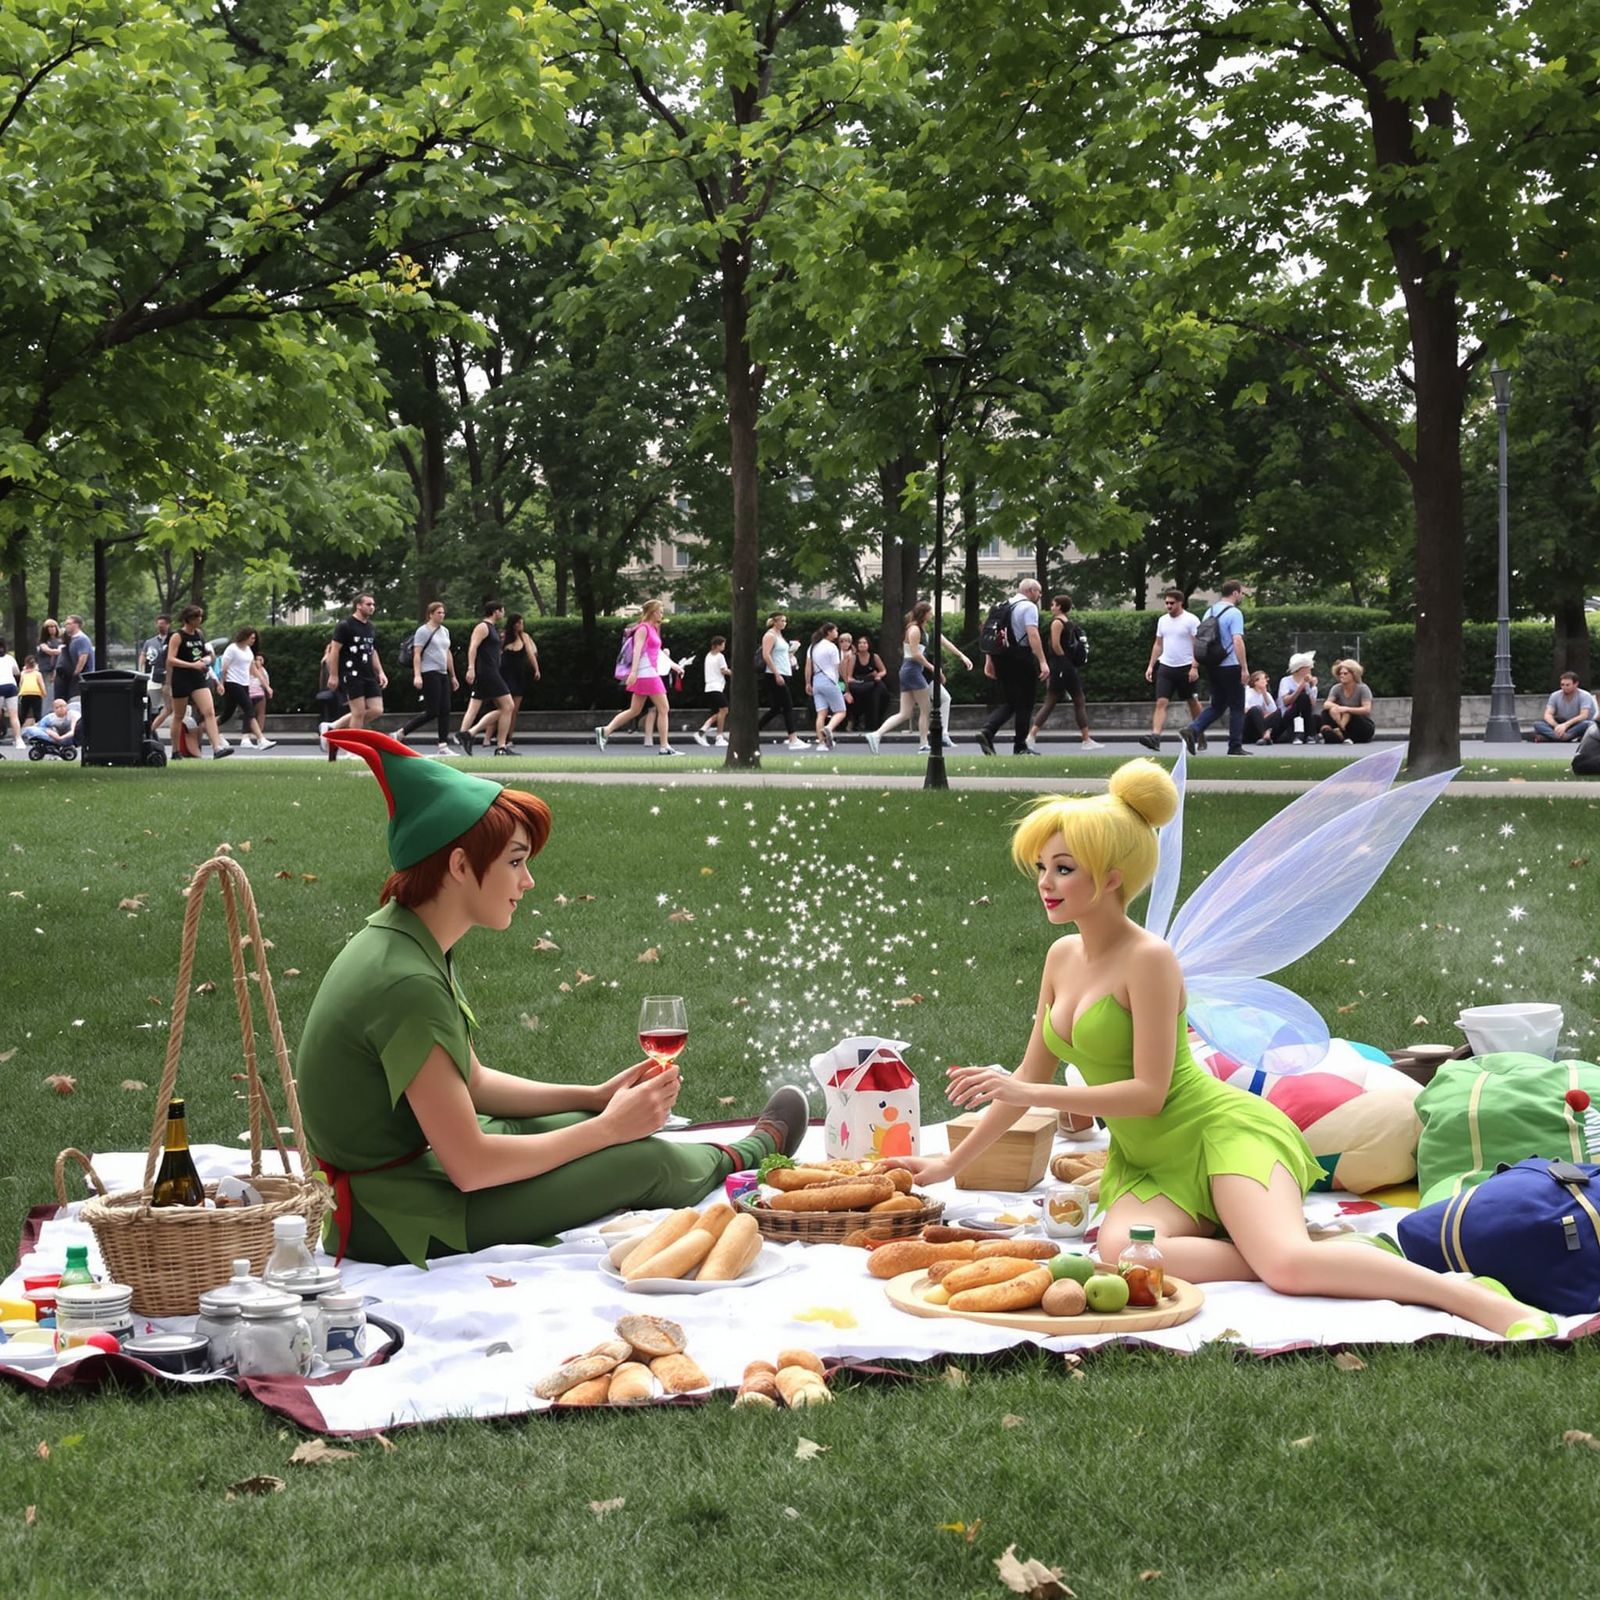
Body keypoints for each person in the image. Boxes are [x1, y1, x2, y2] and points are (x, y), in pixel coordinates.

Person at [884, 758, 1554, 1340]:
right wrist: (950, 1163)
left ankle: (1464, 1294)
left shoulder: (1150, 960)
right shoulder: (1061, 957)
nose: (1046, 882)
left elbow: (1146, 1092)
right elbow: (1030, 1073)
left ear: (1112, 877)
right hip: (1150, 1163)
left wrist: (1027, 1090)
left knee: (1289, 1269)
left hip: (1218, 1134)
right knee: (1126, 1259)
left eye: (1064, 868)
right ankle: (1306, 1250)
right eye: (1042, 867)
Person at [295, 728, 809, 1265]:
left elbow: (474, 1083)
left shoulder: (407, 941)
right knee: (640, 1163)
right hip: (399, 1217)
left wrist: (592, 1098)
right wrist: (608, 1128)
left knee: (571, 1124)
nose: (529, 881)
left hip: (410, 1179)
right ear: (460, 866)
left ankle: (676, 1145)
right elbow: (471, 1165)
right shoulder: (406, 982)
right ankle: (749, 1154)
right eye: (515, 861)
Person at [976, 578, 1049, 758]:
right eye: (1038, 592)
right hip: (1020, 657)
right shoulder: (1029, 607)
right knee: (1026, 702)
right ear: (1030, 590)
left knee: (1012, 701)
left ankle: (988, 730)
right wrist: (1042, 661)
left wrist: (989, 660)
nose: (1040, 595)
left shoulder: (1002, 606)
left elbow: (990, 633)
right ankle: (1020, 747)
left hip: (1001, 657)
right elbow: (1033, 634)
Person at [596, 599, 677, 755]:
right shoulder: (643, 628)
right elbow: (637, 650)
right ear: (653, 612)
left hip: (646, 673)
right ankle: (664, 746)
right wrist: (633, 672)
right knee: (664, 708)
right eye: (660, 611)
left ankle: (605, 731)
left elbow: (656, 652)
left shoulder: (652, 628)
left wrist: (674, 666)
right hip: (647, 673)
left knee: (635, 710)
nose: (662, 614)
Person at [1181, 580, 1248, 757]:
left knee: (1217, 705)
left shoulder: (1209, 612)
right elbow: (1237, 641)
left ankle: (1193, 729)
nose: (1242, 596)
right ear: (1235, 593)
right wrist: (1244, 668)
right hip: (1230, 664)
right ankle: (1235, 746)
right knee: (1237, 706)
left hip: (1213, 664)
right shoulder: (1234, 613)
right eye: (1241, 593)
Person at [1028, 594, 1102, 752]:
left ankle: (1032, 736)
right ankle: (1086, 739)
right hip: (1064, 666)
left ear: (1060, 606)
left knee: (1055, 700)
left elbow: (1055, 645)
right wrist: (1066, 661)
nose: (1052, 607)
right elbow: (1057, 645)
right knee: (1074, 700)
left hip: (1060, 665)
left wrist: (1062, 660)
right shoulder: (1066, 622)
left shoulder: (1057, 622)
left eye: (1053, 604)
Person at [1139, 589, 1205, 752]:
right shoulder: (1163, 621)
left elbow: (1197, 645)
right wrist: (1151, 665)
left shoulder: (1191, 620)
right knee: (1161, 702)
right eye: (1167, 603)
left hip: (1186, 667)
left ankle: (1200, 732)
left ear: (1180, 603)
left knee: (1192, 701)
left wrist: (1194, 667)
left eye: (1172, 603)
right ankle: (1155, 737)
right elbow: (1158, 644)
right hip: (1166, 666)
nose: (1168, 606)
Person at [165, 604, 232, 760]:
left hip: (198, 677)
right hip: (181, 678)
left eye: (201, 616)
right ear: (188, 619)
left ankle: (217, 748)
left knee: (209, 711)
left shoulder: (199, 634)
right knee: (179, 715)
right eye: (196, 617)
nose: (199, 619)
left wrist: (207, 659)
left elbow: (206, 654)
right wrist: (191, 665)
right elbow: (170, 659)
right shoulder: (177, 636)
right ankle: (175, 751)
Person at [396, 601, 459, 755]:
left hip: (443, 672)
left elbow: (447, 653)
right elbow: (417, 654)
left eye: (443, 613)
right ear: (430, 614)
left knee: (445, 709)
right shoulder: (423, 631)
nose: (442, 615)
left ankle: (443, 745)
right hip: (429, 672)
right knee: (432, 711)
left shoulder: (445, 631)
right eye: (438, 613)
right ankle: (402, 732)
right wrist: (417, 675)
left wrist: (453, 675)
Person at [457, 599, 515, 757]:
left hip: (490, 671)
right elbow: (473, 647)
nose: (504, 613)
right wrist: (471, 668)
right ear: (496, 611)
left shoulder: (492, 628)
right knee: (508, 706)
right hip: (488, 673)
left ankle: (466, 735)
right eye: (502, 610)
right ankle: (499, 746)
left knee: (480, 707)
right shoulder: (483, 627)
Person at [327, 593, 387, 737]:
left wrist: (380, 672)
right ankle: (352, 744)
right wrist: (333, 675)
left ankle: (334, 726)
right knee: (358, 712)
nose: (372, 607)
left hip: (368, 674)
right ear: (358, 606)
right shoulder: (345, 625)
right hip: (351, 673)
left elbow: (372, 651)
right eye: (368, 604)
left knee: (377, 709)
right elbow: (334, 650)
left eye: (373, 604)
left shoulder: (371, 627)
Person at [754, 611, 807, 750]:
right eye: (782, 621)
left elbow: (781, 654)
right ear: (775, 621)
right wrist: (777, 673)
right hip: (774, 673)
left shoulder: (780, 636)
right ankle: (793, 738)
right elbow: (766, 655)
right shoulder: (770, 635)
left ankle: (753, 730)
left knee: (777, 708)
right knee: (787, 706)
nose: (784, 623)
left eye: (785, 621)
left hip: (785, 671)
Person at [219, 627, 274, 749]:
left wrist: (266, 686)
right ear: (245, 636)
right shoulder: (232, 648)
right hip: (232, 682)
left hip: (244, 683)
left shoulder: (248, 650)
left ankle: (208, 727)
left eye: (254, 638)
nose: (253, 641)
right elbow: (224, 668)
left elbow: (253, 669)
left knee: (227, 713)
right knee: (249, 709)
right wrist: (221, 684)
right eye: (252, 638)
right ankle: (260, 739)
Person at [804, 622, 848, 752]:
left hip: (816, 680)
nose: (837, 632)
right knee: (841, 711)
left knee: (821, 713)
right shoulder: (832, 647)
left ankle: (821, 743)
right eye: (835, 630)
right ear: (829, 632)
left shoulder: (813, 646)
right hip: (829, 680)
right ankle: (829, 727)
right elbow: (838, 666)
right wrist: (845, 681)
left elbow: (808, 666)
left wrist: (808, 682)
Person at [1318, 659, 1375, 744]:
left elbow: (1366, 709)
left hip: (1361, 725)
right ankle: (1335, 732)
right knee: (1326, 712)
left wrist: (1346, 709)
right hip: (1343, 721)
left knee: (1352, 716)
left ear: (1354, 674)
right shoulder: (1336, 688)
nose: (1342, 676)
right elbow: (1326, 704)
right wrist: (1337, 708)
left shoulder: (1363, 688)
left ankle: (1342, 734)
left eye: (1345, 673)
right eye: (1340, 673)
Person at [1532, 671, 1597, 743]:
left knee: (1589, 724)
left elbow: (1583, 715)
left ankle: (1552, 737)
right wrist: (1557, 726)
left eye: (1567, 685)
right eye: (1562, 685)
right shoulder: (1555, 695)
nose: (1564, 687)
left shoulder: (1584, 695)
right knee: (1537, 724)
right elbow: (1548, 714)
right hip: (1561, 723)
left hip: (1578, 724)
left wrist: (1565, 725)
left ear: (1576, 684)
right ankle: (1564, 737)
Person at [1273, 652, 1319, 745]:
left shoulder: (1308, 683)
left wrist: (1313, 687)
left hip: (1304, 715)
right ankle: (1306, 734)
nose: (1310, 669)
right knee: (1302, 697)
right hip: (1287, 714)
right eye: (1308, 667)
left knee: (1305, 699)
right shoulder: (1285, 681)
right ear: (1300, 669)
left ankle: (1309, 734)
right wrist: (1301, 685)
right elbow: (1286, 701)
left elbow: (1312, 704)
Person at [692, 635, 730, 747]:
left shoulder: (708, 656)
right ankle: (719, 737)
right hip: (716, 687)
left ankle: (703, 731)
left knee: (720, 712)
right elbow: (724, 670)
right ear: (718, 645)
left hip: (709, 687)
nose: (724, 646)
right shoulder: (720, 656)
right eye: (723, 644)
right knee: (724, 710)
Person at [139, 615, 172, 741]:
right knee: (153, 704)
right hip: (154, 676)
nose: (160, 626)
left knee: (169, 707)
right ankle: (150, 731)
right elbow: (143, 655)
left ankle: (151, 730)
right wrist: (141, 669)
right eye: (158, 624)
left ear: (168, 625)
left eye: (163, 623)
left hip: (168, 676)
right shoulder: (150, 642)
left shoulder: (172, 640)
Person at [845, 634, 888, 732]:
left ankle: (874, 722)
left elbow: (883, 670)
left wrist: (878, 676)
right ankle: (855, 720)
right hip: (859, 683)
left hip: (872, 682)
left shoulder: (875, 657)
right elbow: (849, 677)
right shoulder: (854, 658)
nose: (862, 645)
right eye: (860, 643)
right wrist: (856, 681)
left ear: (868, 645)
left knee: (879, 690)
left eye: (864, 643)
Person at [55, 615, 94, 709]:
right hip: (77, 677)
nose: (66, 626)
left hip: (82, 676)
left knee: (76, 702)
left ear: (76, 625)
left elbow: (83, 656)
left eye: (68, 624)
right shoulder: (73, 639)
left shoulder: (81, 639)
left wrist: (76, 672)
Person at [1242, 670, 1276, 745]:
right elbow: (1244, 709)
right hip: (1248, 725)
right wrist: (1262, 714)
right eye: (1263, 678)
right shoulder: (1248, 692)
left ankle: (1266, 735)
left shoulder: (1266, 694)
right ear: (1255, 682)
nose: (1266, 680)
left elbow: (1273, 711)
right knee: (1256, 709)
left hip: (1261, 723)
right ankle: (1265, 735)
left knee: (1278, 713)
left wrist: (1264, 693)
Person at [0, 639, 21, 750]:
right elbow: (17, 672)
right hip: (11, 686)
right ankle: (18, 740)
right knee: (14, 715)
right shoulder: (10, 658)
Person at [17, 656, 45, 728]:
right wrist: (44, 693)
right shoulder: (37, 674)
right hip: (36, 694)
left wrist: (19, 693)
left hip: (25, 693)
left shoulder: (23, 673)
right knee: (37, 713)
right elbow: (41, 684)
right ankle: (39, 727)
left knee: (23, 713)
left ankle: (19, 727)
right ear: (35, 664)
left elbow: (21, 684)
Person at [35, 620, 62, 692]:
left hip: (58, 669)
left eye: (53, 626)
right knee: (47, 690)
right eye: (49, 627)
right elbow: (48, 651)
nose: (52, 628)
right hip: (45, 670)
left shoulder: (60, 640)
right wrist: (57, 650)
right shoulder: (42, 641)